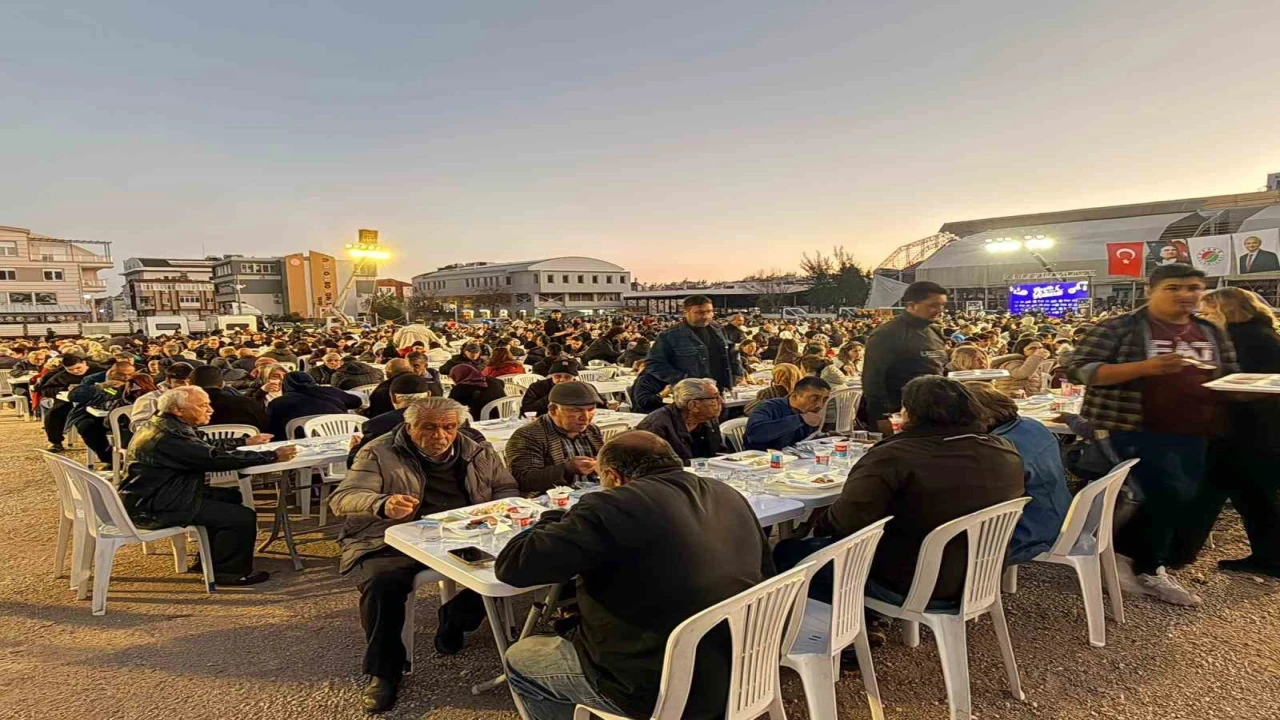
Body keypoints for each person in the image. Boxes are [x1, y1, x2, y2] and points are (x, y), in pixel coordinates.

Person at [497, 431, 773, 720]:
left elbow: (513, 566)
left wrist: (552, 517)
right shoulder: (726, 492)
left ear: (612, 476)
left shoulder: (609, 506)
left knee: (521, 659)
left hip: (655, 685)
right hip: (745, 661)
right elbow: (767, 570)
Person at [329, 397, 519, 713]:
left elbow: (505, 487)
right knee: (382, 583)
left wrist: (497, 512)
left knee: (513, 562)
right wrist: (382, 503)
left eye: (448, 427)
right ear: (409, 427)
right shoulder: (379, 451)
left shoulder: (477, 449)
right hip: (394, 535)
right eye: (428, 427)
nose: (440, 435)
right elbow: (343, 498)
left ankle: (455, 618)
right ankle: (384, 671)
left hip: (467, 532)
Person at [1065, 264, 1238, 606]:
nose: (1185, 295)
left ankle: (1134, 560)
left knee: (1177, 496)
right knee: (1151, 494)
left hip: (1193, 429)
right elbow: (1080, 370)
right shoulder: (1118, 328)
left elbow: (1229, 371)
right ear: (1151, 291)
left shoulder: (1208, 330)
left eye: (1193, 288)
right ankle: (1138, 564)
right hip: (1130, 427)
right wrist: (1146, 368)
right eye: (1173, 288)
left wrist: (1243, 388)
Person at [774, 376, 1024, 607]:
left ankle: (841, 625)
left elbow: (846, 524)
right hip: (982, 573)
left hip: (911, 581)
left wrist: (816, 525)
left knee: (788, 552)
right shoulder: (1003, 448)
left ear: (911, 413)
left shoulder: (894, 457)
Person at [119, 386, 295, 586]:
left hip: (160, 494)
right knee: (241, 517)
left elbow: (202, 447)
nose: (210, 410)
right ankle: (229, 573)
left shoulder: (165, 424)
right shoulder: (169, 436)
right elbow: (213, 458)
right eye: (202, 406)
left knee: (231, 496)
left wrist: (245, 441)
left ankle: (211, 560)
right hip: (154, 506)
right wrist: (271, 455)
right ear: (177, 410)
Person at [1192, 287, 1280, 577]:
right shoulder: (1265, 335)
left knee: (1215, 492)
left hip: (1243, 432)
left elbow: (1228, 385)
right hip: (1261, 431)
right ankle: (1269, 557)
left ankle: (1175, 554)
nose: (1202, 319)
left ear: (1224, 311)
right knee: (1255, 498)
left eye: (1207, 313)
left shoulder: (1240, 340)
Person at [965, 382, 1071, 564]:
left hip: (1031, 534)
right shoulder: (1032, 425)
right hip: (1061, 515)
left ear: (982, 416)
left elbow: (983, 499)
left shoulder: (1000, 447)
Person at [861, 281, 948, 434]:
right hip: (901, 413)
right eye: (933, 305)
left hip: (936, 410)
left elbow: (941, 368)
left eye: (942, 305)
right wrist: (882, 416)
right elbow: (872, 379)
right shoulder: (887, 334)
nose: (939, 311)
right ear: (912, 305)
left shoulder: (935, 331)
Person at [504, 381, 605, 493]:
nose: (585, 417)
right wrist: (566, 469)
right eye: (576, 410)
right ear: (553, 409)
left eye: (590, 409)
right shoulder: (528, 435)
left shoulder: (592, 430)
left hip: (594, 491)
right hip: (550, 498)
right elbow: (524, 481)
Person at [639, 295, 743, 393]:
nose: (706, 316)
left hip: (722, 389)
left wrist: (737, 374)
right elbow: (654, 363)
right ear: (685, 312)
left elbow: (732, 352)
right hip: (693, 392)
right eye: (700, 312)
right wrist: (683, 379)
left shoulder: (718, 329)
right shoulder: (670, 335)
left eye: (709, 311)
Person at [636, 377, 723, 463]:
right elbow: (655, 466)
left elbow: (720, 452)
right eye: (715, 398)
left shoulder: (708, 419)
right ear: (694, 405)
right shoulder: (656, 426)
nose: (721, 401)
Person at [266, 371, 362, 440]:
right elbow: (357, 402)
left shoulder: (277, 402)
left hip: (299, 442)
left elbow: (272, 430)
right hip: (340, 435)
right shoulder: (330, 391)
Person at [743, 376, 830, 450]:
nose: (820, 405)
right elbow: (754, 436)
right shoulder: (768, 407)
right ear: (795, 396)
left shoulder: (809, 411)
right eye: (814, 399)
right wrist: (799, 419)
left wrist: (824, 437)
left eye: (824, 400)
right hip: (763, 459)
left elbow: (802, 442)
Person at [34, 354, 99, 452]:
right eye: (71, 370)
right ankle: (56, 442)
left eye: (78, 368)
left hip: (97, 401)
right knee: (53, 414)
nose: (75, 371)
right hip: (67, 403)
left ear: (84, 363)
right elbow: (46, 390)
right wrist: (65, 388)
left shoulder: (98, 370)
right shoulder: (60, 376)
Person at [192, 365, 269, 430]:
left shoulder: (188, 407)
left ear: (190, 384)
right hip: (247, 442)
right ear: (222, 384)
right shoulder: (247, 403)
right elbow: (265, 427)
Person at [519, 361, 603, 417]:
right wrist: (553, 396)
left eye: (567, 377)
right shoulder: (537, 387)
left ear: (574, 378)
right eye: (557, 376)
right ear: (551, 376)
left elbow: (602, 405)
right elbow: (526, 410)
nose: (562, 380)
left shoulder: (584, 387)